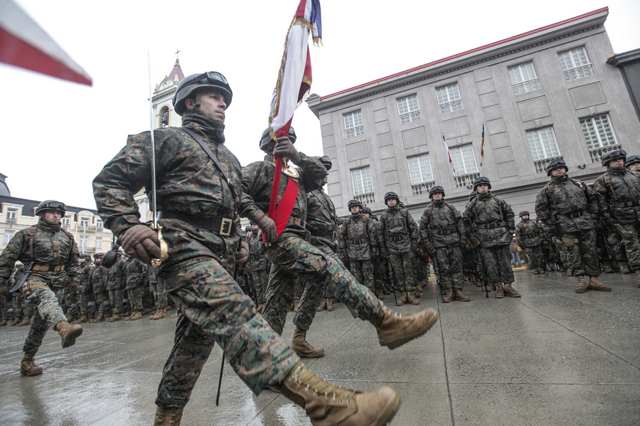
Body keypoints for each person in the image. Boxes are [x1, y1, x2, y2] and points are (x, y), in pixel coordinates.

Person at [93, 71, 417, 425]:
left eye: (225, 99)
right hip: (182, 245)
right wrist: (128, 224)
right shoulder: (166, 140)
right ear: (190, 102)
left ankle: (166, 417)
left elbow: (232, 206)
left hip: (220, 253)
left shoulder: (228, 158)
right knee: (238, 315)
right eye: (214, 97)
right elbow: (110, 180)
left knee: (192, 346)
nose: (222, 104)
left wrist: (237, 243)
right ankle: (325, 405)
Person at [0, 200, 83, 376]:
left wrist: (75, 279)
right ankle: (63, 327)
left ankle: (27, 360)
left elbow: (73, 260)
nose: (56, 215)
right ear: (41, 214)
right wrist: (1, 282)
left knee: (41, 324)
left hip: (58, 281)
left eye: (59, 213)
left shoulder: (66, 236)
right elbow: (7, 258)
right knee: (47, 299)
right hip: (33, 278)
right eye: (51, 212)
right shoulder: (27, 234)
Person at [535, 159, 610, 293]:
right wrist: (551, 226)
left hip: (585, 223)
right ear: (550, 172)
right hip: (565, 226)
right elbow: (541, 210)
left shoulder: (579, 184)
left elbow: (592, 199)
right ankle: (580, 280)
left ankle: (594, 279)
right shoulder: (547, 190)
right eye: (556, 168)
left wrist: (593, 217)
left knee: (590, 251)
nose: (559, 170)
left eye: (561, 167)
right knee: (573, 253)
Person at [464, 177, 521, 298]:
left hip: (501, 236)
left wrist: (510, 231)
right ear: (476, 189)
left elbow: (509, 214)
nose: (483, 187)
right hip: (484, 239)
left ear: (489, 186)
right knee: (491, 265)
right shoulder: (473, 204)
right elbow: (465, 220)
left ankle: (508, 286)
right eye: (480, 186)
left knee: (505, 262)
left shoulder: (498, 200)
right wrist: (471, 236)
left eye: (485, 185)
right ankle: (498, 287)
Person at [593, 150, 640, 287]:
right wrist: (609, 220)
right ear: (608, 163)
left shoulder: (635, 175)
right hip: (623, 217)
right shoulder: (603, 180)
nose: (619, 161)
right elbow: (601, 203)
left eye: (621, 159)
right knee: (633, 245)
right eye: (615, 160)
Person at [420, 186, 471, 303]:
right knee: (444, 268)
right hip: (439, 244)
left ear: (442, 194)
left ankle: (458, 290)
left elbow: (460, 224)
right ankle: (449, 291)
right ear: (431, 196)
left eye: (439, 193)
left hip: (454, 242)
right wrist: (427, 243)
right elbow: (422, 229)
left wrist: (463, 239)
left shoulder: (450, 207)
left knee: (457, 267)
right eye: (435, 194)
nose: (437, 195)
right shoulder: (428, 210)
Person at [379, 192, 421, 305]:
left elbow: (413, 227)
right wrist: (383, 247)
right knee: (398, 272)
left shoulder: (404, 212)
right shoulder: (384, 216)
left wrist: (414, 242)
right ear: (386, 202)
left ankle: (411, 294)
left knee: (408, 271)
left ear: (397, 200)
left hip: (406, 246)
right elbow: (379, 232)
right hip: (392, 248)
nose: (391, 201)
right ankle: (403, 294)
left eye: (393, 199)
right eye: (389, 200)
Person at [341, 199, 377, 292]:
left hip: (366, 251)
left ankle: (371, 297)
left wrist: (373, 249)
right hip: (352, 253)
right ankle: (361, 297)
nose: (354, 208)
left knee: (368, 276)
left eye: (356, 207)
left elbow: (372, 234)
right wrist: (344, 251)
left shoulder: (366, 220)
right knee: (356, 278)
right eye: (352, 207)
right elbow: (342, 236)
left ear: (359, 208)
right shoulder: (347, 221)